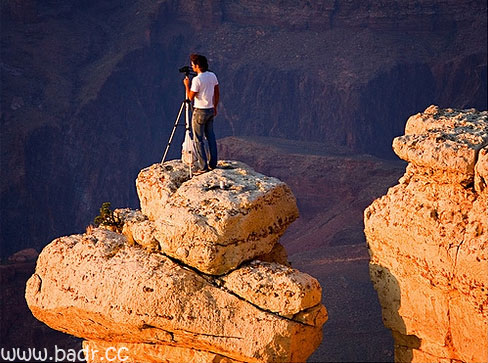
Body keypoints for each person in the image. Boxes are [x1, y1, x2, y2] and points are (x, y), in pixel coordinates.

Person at [183, 53, 219, 173]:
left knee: (198, 139)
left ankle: (203, 167)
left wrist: (186, 85)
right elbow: (217, 92)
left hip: (199, 111)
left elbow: (190, 97)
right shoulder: (212, 75)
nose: (192, 67)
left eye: (193, 65)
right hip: (210, 109)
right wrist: (215, 106)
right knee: (211, 137)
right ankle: (213, 164)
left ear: (197, 66)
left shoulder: (197, 80)